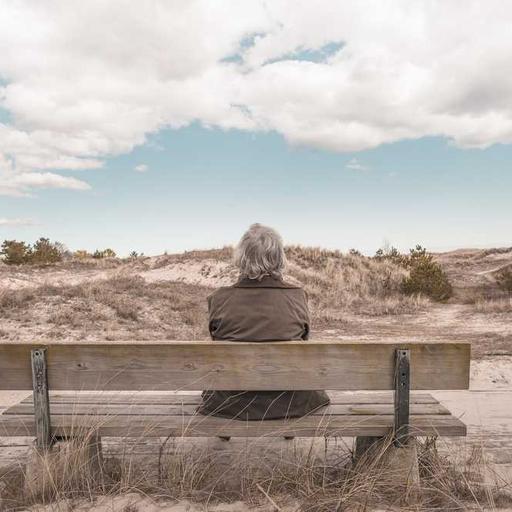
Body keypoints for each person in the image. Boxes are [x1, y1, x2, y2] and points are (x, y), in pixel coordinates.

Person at [197, 223, 330, 421]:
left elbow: (217, 340)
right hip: (290, 401)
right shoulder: (298, 297)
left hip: (232, 403)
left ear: (241, 258)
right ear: (279, 258)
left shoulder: (219, 298)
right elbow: (304, 339)